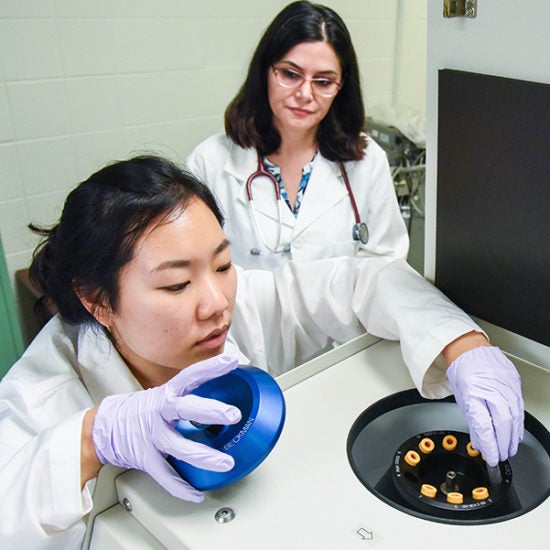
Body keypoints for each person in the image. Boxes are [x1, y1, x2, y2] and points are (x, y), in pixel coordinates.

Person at [0, 156, 523, 548]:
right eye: (177, 285)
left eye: (223, 265)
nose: (216, 304)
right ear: (99, 303)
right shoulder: (42, 392)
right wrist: (94, 438)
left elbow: (365, 280)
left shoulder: (242, 301)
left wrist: (464, 346)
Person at [186, 1, 409, 270]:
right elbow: (194, 270)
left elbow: (386, 265)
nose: (305, 94)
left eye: (323, 82)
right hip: (243, 313)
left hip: (340, 314)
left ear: (341, 87)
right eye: (291, 75)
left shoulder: (367, 162)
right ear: (265, 72)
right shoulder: (209, 162)